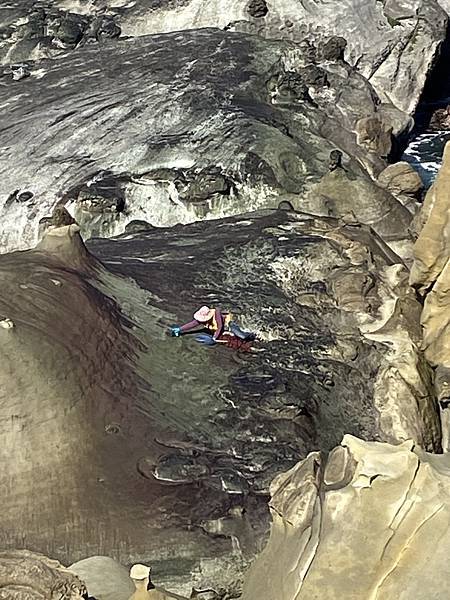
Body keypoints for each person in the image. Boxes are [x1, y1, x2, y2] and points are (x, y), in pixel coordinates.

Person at [169, 306, 255, 345]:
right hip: (224, 327)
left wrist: (214, 338)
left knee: (242, 336)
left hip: (230, 323)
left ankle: (253, 335)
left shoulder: (216, 313)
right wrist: (180, 329)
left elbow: (220, 326)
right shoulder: (202, 320)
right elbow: (193, 324)